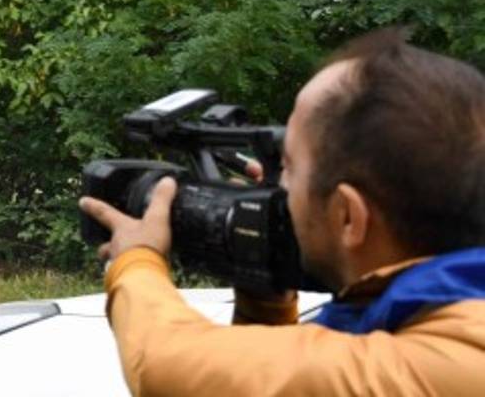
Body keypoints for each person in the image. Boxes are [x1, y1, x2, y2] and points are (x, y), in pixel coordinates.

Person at [78, 29, 485, 396]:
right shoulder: (441, 323)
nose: (277, 189)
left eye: (287, 167)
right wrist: (265, 300)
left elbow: (164, 365)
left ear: (348, 217)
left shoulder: (438, 370)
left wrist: (136, 259)